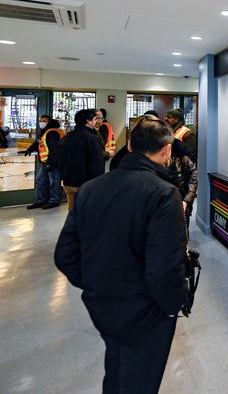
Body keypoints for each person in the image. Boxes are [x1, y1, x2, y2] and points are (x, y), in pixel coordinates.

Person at [54, 116, 187, 393]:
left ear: (129, 147)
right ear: (167, 151)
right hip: (145, 313)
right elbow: (164, 269)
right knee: (139, 380)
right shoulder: (163, 194)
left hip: (101, 305)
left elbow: (65, 254)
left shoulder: (91, 189)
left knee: (115, 370)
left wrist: (95, 283)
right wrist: (173, 305)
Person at [58, 108, 104, 210]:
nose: (95, 121)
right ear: (88, 121)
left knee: (73, 211)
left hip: (68, 182)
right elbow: (96, 162)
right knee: (88, 212)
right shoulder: (92, 138)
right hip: (85, 183)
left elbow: (60, 158)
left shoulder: (67, 137)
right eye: (94, 119)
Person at [25, 115, 64, 209]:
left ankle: (54, 200)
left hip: (53, 162)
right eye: (40, 121)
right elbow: (38, 143)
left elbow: (54, 149)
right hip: (45, 162)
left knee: (54, 181)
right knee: (40, 180)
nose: (41, 122)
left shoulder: (52, 132)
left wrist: (50, 164)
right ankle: (42, 200)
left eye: (44, 121)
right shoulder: (45, 132)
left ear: (49, 122)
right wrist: (29, 150)